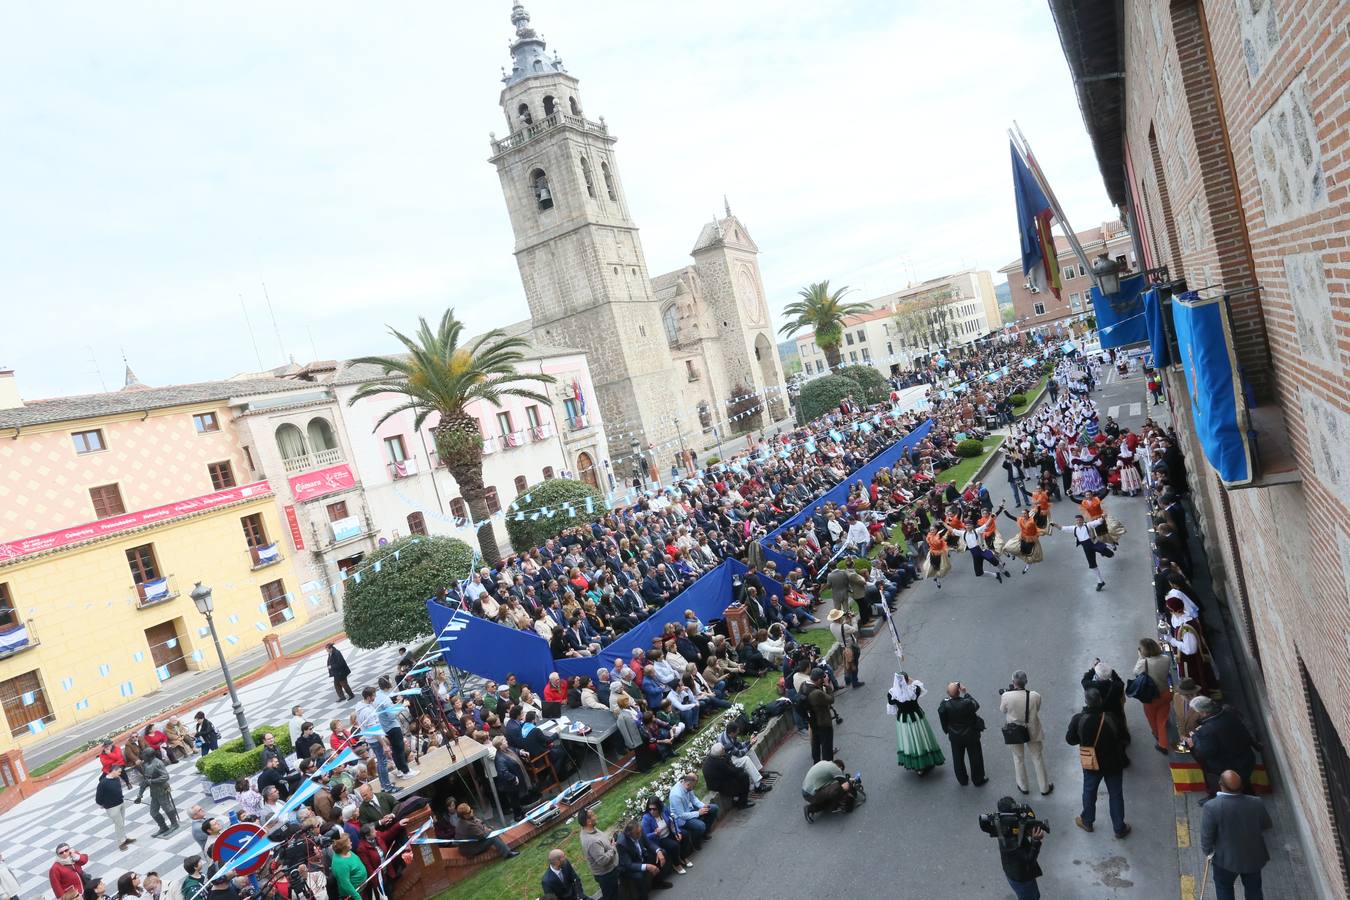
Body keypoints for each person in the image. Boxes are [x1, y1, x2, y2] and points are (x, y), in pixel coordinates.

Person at [1066, 688, 1131, 839]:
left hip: (1091, 762)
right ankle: (1119, 828)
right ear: (1100, 700)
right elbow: (1125, 738)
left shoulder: (1078, 719)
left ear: (1086, 701)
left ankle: (1087, 821)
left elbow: (1070, 740)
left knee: (1089, 791)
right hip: (1114, 762)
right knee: (1116, 794)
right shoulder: (1111, 718)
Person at [1201, 770, 1272, 900]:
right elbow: (1266, 824)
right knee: (1254, 889)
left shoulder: (1211, 807)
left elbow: (1207, 836)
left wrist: (1208, 852)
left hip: (1225, 860)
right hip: (1254, 857)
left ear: (1220, 784)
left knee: (1224, 889)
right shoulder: (1256, 802)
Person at [1187, 698, 1259, 801]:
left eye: (1196, 712)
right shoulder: (1228, 711)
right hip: (1246, 758)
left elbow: (1204, 753)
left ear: (1203, 712)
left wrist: (1193, 743)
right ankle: (1251, 800)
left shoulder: (1207, 731)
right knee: (1245, 785)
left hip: (1228, 767)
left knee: (1232, 792)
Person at [886, 672, 944, 775]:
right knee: (922, 737)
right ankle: (928, 760)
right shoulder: (913, 690)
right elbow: (919, 686)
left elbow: (892, 706)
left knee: (909, 740)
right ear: (907, 680)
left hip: (903, 720)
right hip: (916, 716)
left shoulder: (892, 693)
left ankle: (918, 767)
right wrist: (909, 680)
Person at [994, 796, 1046, 900]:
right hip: (1021, 878)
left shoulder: (1004, 825)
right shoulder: (1009, 840)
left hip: (1019, 874)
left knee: (1035, 896)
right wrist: (1035, 841)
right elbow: (1029, 861)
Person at [937, 682, 987, 787]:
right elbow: (976, 705)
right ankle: (978, 779)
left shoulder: (944, 704)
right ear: (959, 691)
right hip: (971, 734)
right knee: (975, 757)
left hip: (955, 736)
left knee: (957, 758)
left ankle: (962, 780)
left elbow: (943, 719)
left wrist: (947, 730)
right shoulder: (967, 702)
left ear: (948, 693)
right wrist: (966, 693)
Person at [1132, 638, 1173, 753]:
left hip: (1151, 697)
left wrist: (1140, 657)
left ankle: (1158, 737)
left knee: (1152, 719)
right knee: (1162, 718)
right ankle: (1163, 740)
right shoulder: (1166, 659)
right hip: (1165, 693)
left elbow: (1135, 672)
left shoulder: (1144, 663)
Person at [616, 819, 673, 896]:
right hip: (631, 865)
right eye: (637, 834)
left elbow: (649, 844)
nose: (640, 835)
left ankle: (657, 883)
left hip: (642, 856)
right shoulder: (621, 844)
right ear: (630, 834)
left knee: (662, 854)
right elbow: (629, 865)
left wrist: (658, 851)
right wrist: (647, 866)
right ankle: (643, 896)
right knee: (639, 876)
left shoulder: (639, 830)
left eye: (640, 832)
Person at [641, 797, 693, 875]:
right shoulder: (646, 818)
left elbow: (672, 819)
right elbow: (646, 836)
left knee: (684, 835)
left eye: (654, 809)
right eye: (650, 809)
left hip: (669, 831)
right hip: (660, 838)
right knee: (674, 845)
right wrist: (654, 833)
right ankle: (676, 864)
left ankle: (683, 857)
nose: (652, 811)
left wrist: (677, 832)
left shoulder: (664, 809)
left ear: (659, 807)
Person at [577, 807, 620, 900]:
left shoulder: (590, 830)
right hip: (607, 875)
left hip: (608, 873)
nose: (596, 816)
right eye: (593, 815)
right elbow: (603, 861)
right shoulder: (591, 841)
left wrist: (609, 842)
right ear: (588, 822)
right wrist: (612, 848)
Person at [667, 772, 718, 849]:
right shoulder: (676, 795)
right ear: (688, 784)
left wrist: (703, 805)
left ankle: (704, 833)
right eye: (694, 786)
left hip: (689, 810)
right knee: (701, 825)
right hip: (681, 819)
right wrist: (698, 813)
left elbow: (693, 799)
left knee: (714, 808)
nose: (694, 787)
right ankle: (695, 842)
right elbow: (682, 815)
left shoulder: (688, 785)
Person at [800, 757, 856, 822]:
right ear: (840, 767)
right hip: (812, 794)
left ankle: (811, 808)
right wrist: (850, 785)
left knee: (831, 793)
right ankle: (840, 804)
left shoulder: (824, 763)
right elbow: (845, 786)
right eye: (841, 771)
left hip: (806, 792)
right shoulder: (835, 768)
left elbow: (829, 782)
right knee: (837, 789)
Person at [1069, 514, 1114, 591]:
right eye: (1077, 520)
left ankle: (1107, 545)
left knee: (1111, 555)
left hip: (1094, 544)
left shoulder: (1088, 525)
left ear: (1083, 520)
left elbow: (1098, 522)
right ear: (1075, 521)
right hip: (1087, 549)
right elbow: (1062, 528)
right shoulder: (1075, 528)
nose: (1079, 521)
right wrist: (1054, 525)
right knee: (1093, 565)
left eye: (1080, 520)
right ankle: (1100, 582)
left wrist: (1102, 517)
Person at [701, 744, 752, 809]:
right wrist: (741, 769)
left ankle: (739, 800)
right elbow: (731, 772)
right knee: (744, 776)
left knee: (740, 775)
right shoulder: (719, 762)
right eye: (723, 750)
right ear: (721, 753)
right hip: (718, 786)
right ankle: (742, 803)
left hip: (720, 780)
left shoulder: (712, 757)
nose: (724, 751)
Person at [141, 749, 179, 837]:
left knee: (167, 808)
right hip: (154, 791)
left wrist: (152, 781)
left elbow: (165, 776)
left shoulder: (158, 763)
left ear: (148, 756)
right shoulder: (146, 764)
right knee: (153, 812)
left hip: (162, 789)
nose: (142, 757)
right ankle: (163, 827)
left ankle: (174, 824)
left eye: (144, 755)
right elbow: (147, 779)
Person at [96, 765, 134, 851]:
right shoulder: (103, 783)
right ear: (113, 771)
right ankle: (121, 843)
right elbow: (98, 798)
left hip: (121, 803)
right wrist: (104, 804)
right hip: (112, 807)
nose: (120, 774)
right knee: (119, 824)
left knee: (121, 823)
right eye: (119, 772)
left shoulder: (116, 778)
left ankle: (124, 838)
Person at [803, 668, 837, 764]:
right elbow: (830, 699)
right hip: (823, 722)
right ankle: (828, 767)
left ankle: (816, 763)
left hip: (813, 721)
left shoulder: (804, 685)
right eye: (822, 678)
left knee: (816, 746)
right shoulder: (817, 693)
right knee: (827, 749)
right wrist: (827, 685)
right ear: (818, 680)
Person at [329, 834, 367, 900]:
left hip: (361, 889)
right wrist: (357, 897)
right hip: (353, 895)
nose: (351, 842)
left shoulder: (346, 851)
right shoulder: (340, 863)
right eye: (349, 842)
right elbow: (345, 884)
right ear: (344, 847)